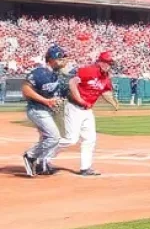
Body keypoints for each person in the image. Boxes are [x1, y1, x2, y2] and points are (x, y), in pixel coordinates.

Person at [57, 50, 120, 177]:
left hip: (87, 110)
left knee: (90, 139)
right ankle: (42, 154)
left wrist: (113, 102)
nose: (109, 66)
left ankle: (85, 168)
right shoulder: (88, 70)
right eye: (108, 63)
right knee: (71, 140)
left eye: (110, 63)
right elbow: (72, 82)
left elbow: (105, 92)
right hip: (74, 107)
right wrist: (79, 99)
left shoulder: (105, 77)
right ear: (101, 62)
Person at [21, 45, 67, 177]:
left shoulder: (56, 75)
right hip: (36, 109)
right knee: (53, 137)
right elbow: (25, 90)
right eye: (59, 58)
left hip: (47, 110)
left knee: (48, 138)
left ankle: (42, 164)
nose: (62, 60)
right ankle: (30, 156)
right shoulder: (39, 72)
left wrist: (57, 100)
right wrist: (45, 101)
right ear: (50, 59)